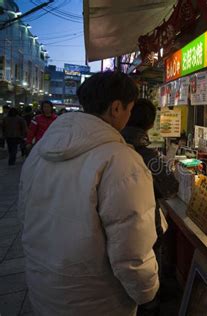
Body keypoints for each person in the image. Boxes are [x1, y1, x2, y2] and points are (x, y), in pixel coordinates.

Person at [18, 71, 159, 315]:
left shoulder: (41, 149)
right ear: (116, 108)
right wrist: (147, 292)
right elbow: (131, 249)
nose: (129, 115)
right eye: (129, 108)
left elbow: (25, 215)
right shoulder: (122, 160)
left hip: (44, 287)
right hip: (96, 299)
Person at [121, 98, 179, 315]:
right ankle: (150, 305)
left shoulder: (110, 148)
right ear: (150, 124)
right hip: (145, 225)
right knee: (147, 269)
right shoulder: (148, 155)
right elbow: (170, 188)